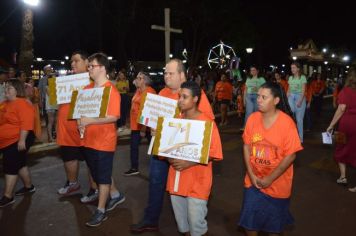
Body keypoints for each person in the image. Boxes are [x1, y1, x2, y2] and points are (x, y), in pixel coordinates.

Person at [130, 59, 214, 233]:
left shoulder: (198, 96)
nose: (166, 76)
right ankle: (151, 220)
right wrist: (154, 128)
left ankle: (192, 222)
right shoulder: (162, 93)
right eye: (165, 72)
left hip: (184, 153)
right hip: (162, 149)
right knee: (155, 182)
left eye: (171, 73)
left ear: (182, 75)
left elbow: (205, 127)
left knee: (185, 192)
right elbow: (154, 120)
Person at [238, 81, 303, 235]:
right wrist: (251, 175)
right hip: (253, 182)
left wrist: (270, 178)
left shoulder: (287, 124)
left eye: (264, 97)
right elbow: (246, 146)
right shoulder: (252, 119)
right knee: (250, 224)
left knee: (273, 228)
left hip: (278, 186)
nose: (258, 99)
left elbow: (291, 155)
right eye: (259, 96)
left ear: (276, 101)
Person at [167, 81, 223, 236]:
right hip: (177, 179)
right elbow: (165, 150)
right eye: (179, 96)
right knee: (183, 225)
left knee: (196, 225)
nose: (180, 100)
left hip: (198, 181)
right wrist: (166, 153)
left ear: (195, 99)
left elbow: (215, 152)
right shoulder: (175, 120)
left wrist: (188, 162)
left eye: (185, 97)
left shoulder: (207, 123)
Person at [78, 53, 125, 227]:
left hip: (104, 142)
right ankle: (116, 195)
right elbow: (80, 113)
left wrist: (90, 120)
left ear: (103, 68)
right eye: (88, 66)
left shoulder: (111, 91)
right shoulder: (86, 89)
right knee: (98, 174)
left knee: (103, 177)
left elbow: (113, 116)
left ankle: (100, 210)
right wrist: (80, 123)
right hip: (87, 140)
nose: (89, 69)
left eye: (92, 66)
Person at [56, 51, 98, 204]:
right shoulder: (66, 80)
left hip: (84, 129)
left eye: (76, 61)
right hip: (66, 130)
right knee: (69, 158)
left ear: (87, 62)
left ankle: (95, 189)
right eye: (71, 61)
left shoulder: (94, 79)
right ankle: (72, 183)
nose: (72, 64)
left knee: (91, 161)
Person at [0, 79, 36, 207]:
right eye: (5, 88)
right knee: (20, 163)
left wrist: (22, 140)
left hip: (18, 139)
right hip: (6, 141)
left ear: (17, 90)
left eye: (9, 88)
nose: (6, 91)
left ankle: (8, 196)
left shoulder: (22, 104)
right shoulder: (4, 103)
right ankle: (28, 186)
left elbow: (26, 123)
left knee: (10, 165)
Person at [326, 67, 356, 190]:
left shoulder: (345, 91)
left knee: (340, 148)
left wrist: (331, 125)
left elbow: (341, 109)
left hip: (346, 124)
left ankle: (343, 177)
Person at [124, 71, 156, 176]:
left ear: (145, 81)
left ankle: (157, 170)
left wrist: (143, 129)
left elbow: (149, 112)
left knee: (154, 148)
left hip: (145, 127)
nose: (136, 79)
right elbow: (134, 107)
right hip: (136, 125)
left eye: (139, 78)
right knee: (134, 147)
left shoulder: (149, 92)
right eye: (137, 77)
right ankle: (134, 168)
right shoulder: (138, 90)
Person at [287, 62, 307, 142]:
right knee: (290, 115)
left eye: (294, 68)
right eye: (291, 68)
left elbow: (303, 90)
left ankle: (300, 139)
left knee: (299, 119)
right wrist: (285, 98)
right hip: (291, 96)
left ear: (298, 69)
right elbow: (289, 90)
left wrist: (301, 101)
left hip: (299, 96)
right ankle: (290, 136)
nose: (292, 69)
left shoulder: (302, 77)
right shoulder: (290, 78)